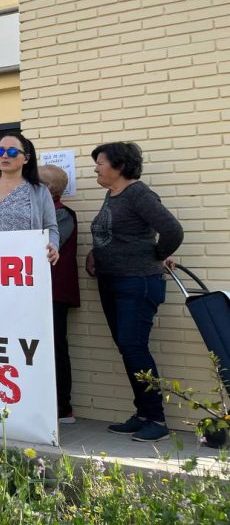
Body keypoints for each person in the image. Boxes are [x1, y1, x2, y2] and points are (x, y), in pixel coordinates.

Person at [86, 141, 183, 443]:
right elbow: (115, 235)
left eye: (100, 162)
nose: (96, 168)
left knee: (134, 347)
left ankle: (157, 419)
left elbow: (172, 230)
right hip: (111, 281)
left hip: (137, 283)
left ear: (119, 166)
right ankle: (142, 414)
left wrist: (155, 256)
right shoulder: (111, 194)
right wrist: (96, 254)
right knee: (128, 348)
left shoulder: (138, 193)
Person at [0, 132, 59, 263]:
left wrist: (53, 247)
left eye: (12, 151)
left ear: (26, 158)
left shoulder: (39, 191)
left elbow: (51, 228)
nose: (4, 155)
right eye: (0, 151)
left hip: (24, 267)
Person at [39, 164, 80, 424]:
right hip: (39, 292)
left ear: (47, 189)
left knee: (55, 348)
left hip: (54, 293)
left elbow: (46, 246)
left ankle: (63, 407)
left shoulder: (62, 214)